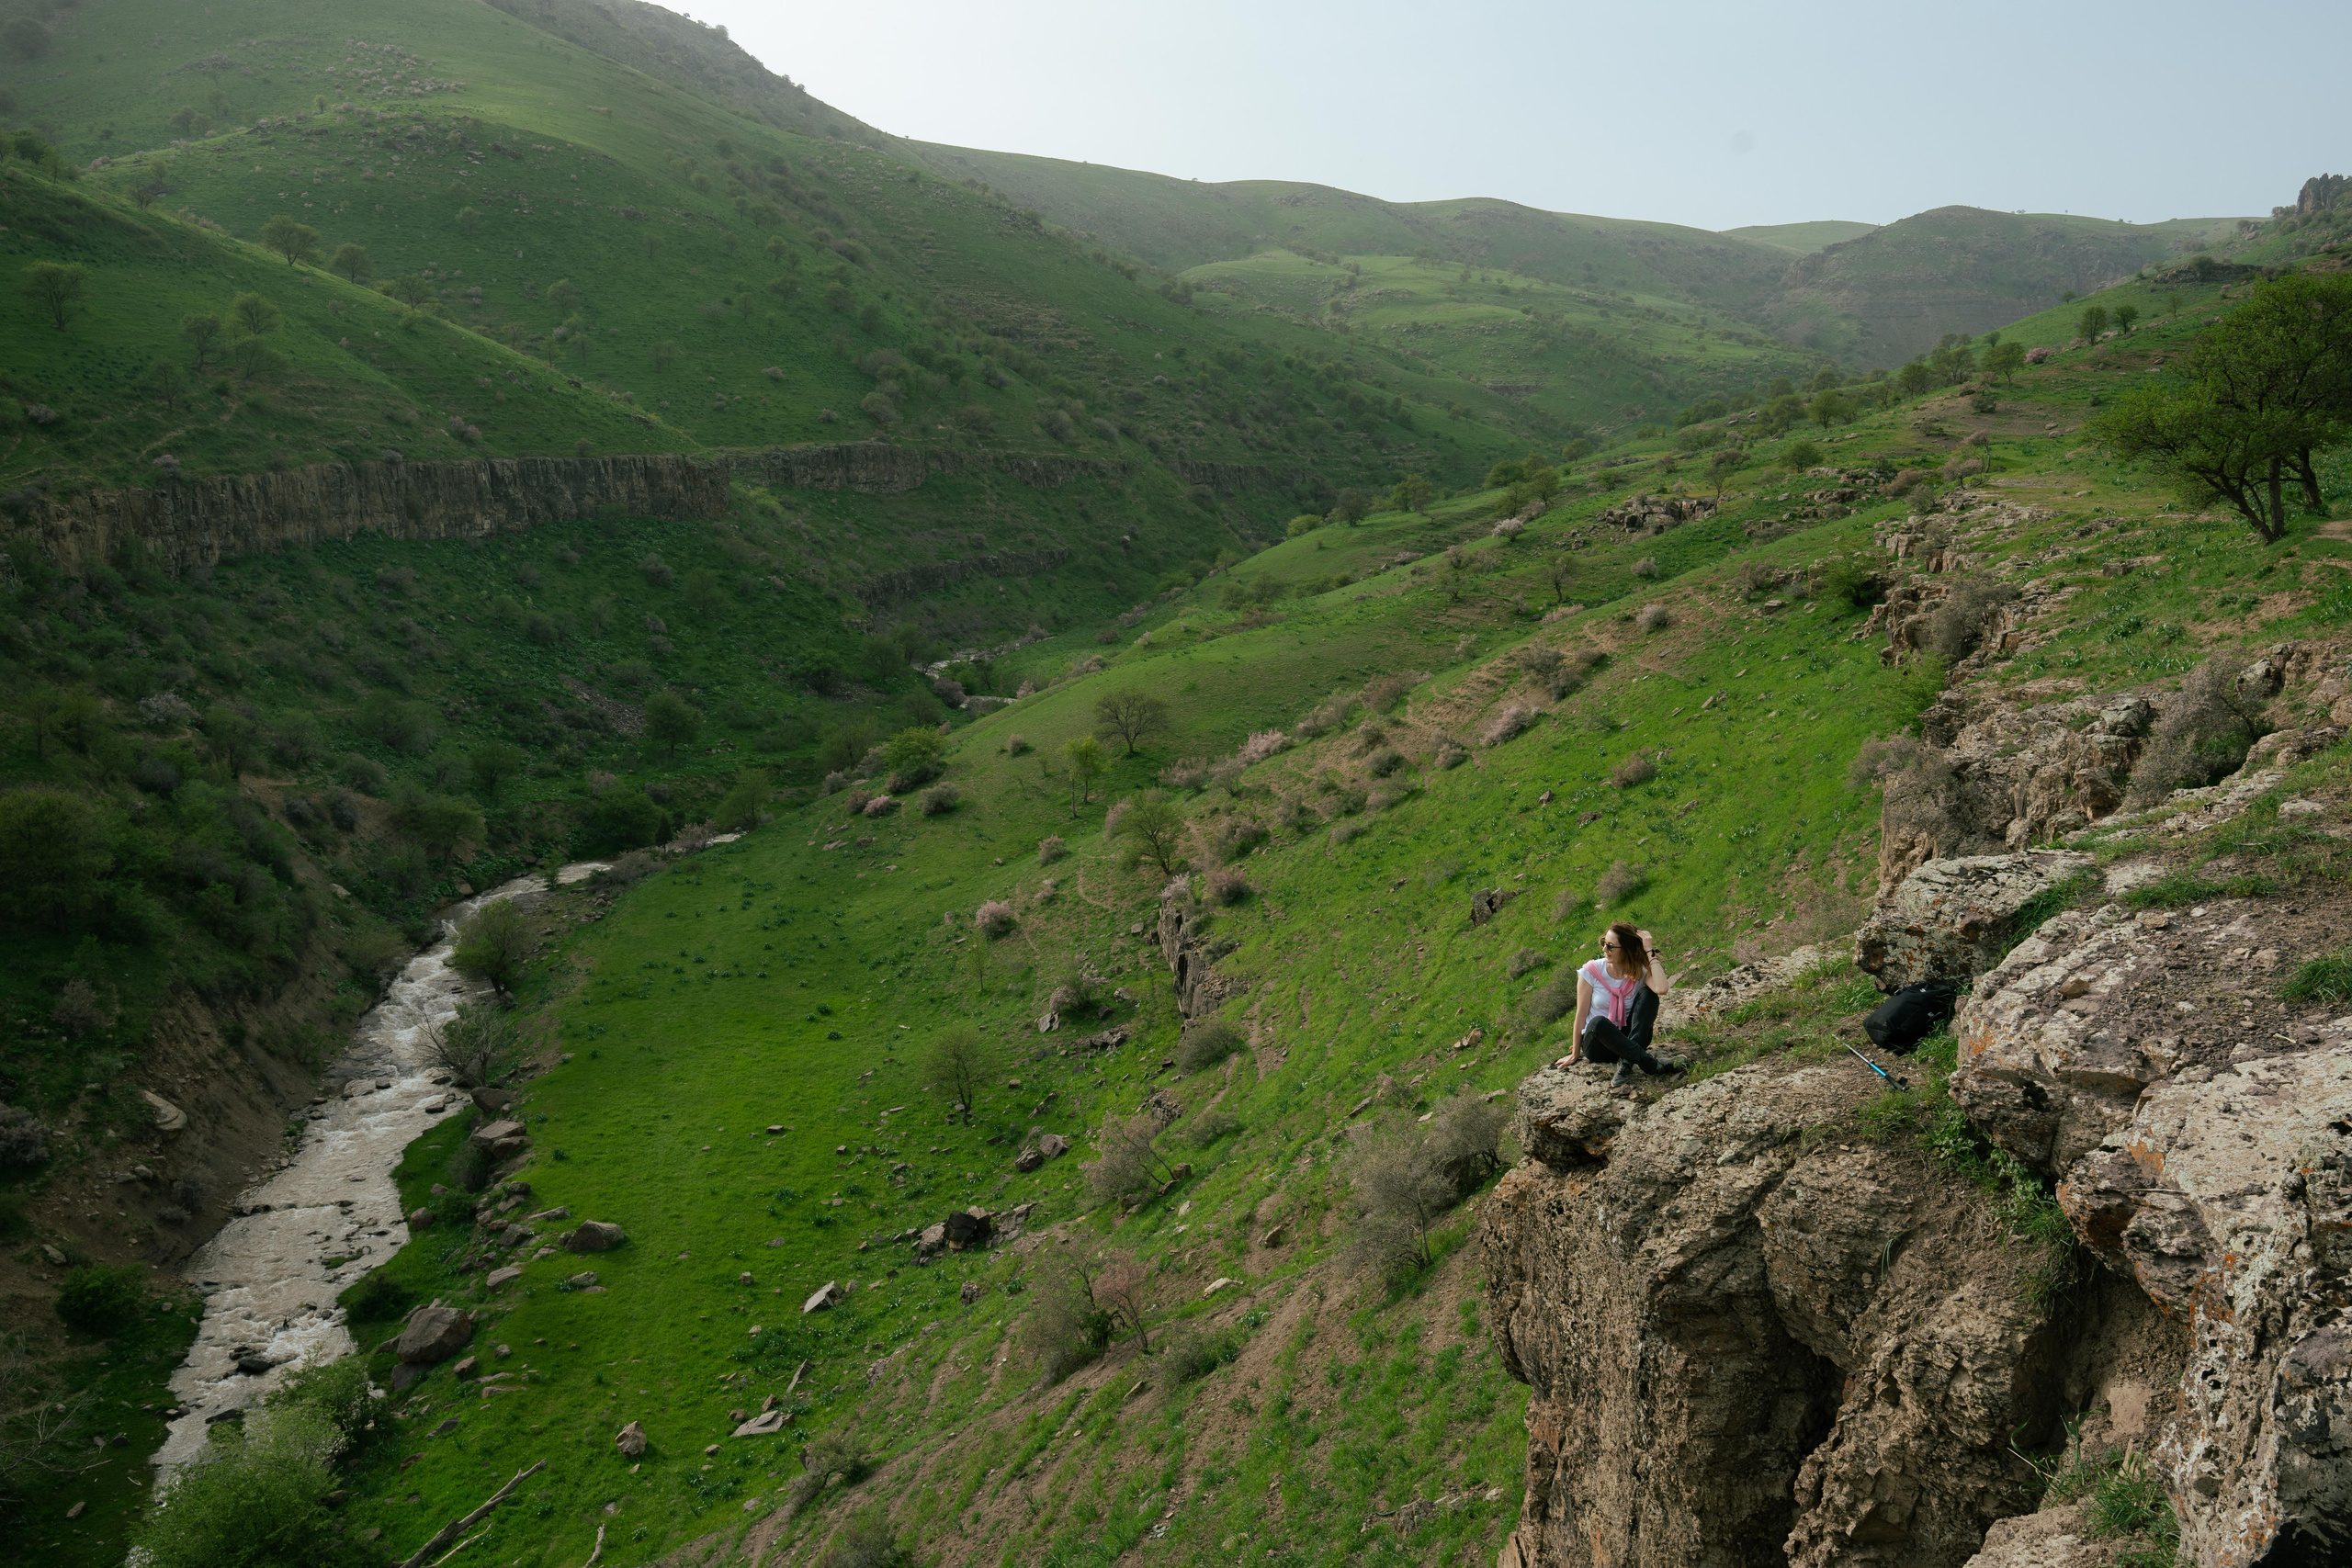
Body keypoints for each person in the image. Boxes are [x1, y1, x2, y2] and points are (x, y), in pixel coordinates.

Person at [1554, 922, 1684, 1087]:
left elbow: (1662, 988)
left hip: (1629, 1039)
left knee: (1649, 995)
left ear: (1626, 949)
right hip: (1599, 1045)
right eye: (1604, 943)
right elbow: (1581, 1014)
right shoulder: (1591, 971)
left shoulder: (1638, 971)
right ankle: (1651, 1065)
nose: (1604, 950)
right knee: (1598, 1022)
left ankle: (1626, 1064)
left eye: (1610, 946)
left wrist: (1649, 952)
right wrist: (1575, 1053)